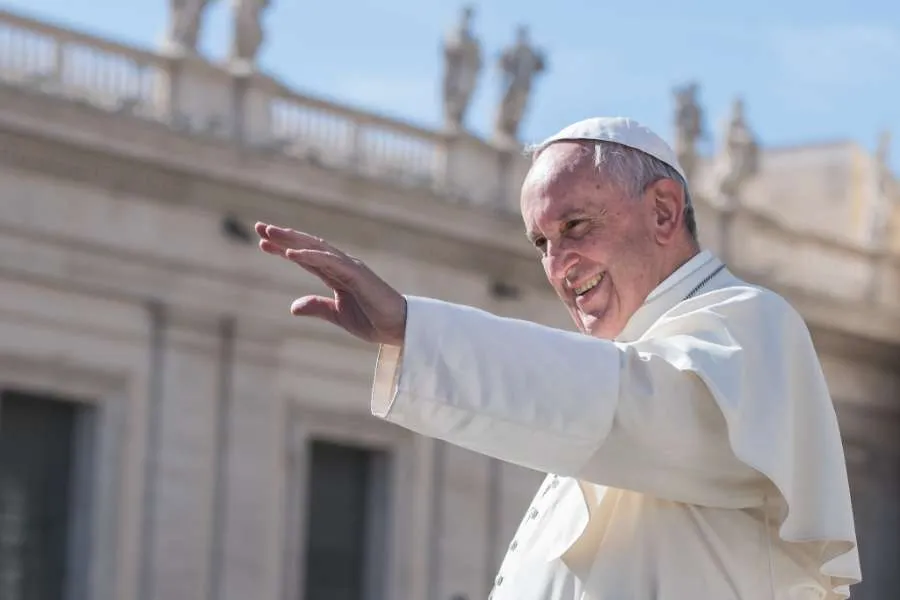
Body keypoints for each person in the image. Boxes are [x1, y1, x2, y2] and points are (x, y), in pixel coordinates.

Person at [256, 117, 861, 599]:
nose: (558, 262)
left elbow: (641, 409)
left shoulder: (752, 323)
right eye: (541, 242)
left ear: (664, 212)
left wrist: (417, 331)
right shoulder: (621, 368)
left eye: (576, 225)